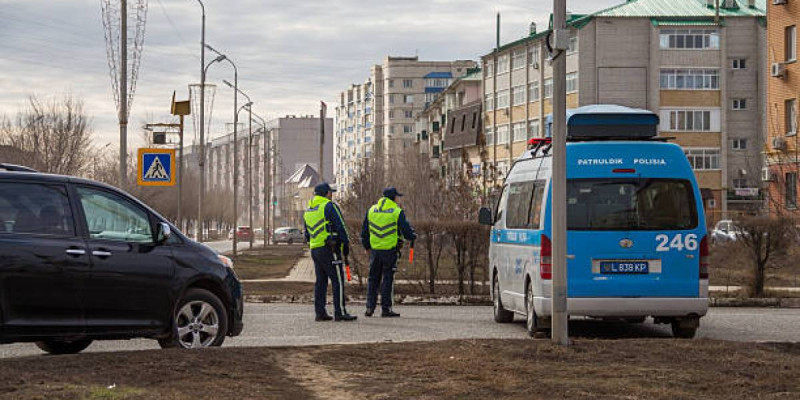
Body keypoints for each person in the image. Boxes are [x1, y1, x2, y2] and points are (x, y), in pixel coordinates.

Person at [303, 182, 356, 322]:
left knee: (320, 281)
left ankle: (320, 312)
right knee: (337, 279)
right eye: (330, 192)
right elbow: (341, 226)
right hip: (330, 248)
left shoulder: (308, 210)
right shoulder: (329, 206)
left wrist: (312, 243)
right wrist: (345, 243)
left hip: (315, 249)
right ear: (327, 193)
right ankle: (340, 311)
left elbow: (307, 233)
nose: (331, 194)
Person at [361, 187, 416, 317]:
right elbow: (407, 231)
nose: (399, 199)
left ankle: (370, 307)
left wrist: (367, 247)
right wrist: (413, 236)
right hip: (389, 251)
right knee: (387, 279)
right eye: (398, 197)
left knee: (372, 279)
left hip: (375, 251)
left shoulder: (371, 210)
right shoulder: (396, 212)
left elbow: (364, 232)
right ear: (393, 198)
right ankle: (386, 309)